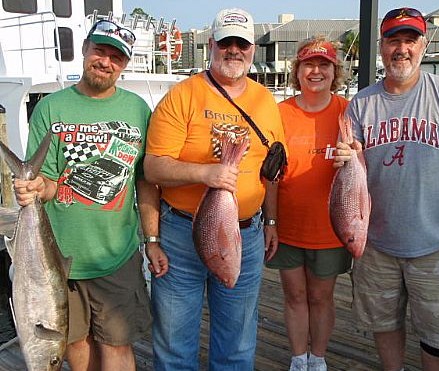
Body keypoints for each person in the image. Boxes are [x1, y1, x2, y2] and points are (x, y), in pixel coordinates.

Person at [336, 7, 439, 371]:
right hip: (374, 244)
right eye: (394, 40)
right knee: (383, 322)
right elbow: (347, 170)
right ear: (381, 46)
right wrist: (347, 157)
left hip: (436, 245)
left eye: (410, 40)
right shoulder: (361, 104)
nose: (401, 48)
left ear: (423, 45)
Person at [13, 19, 168, 371]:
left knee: (116, 345)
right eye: (99, 51)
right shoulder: (50, 108)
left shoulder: (138, 110)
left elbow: (144, 181)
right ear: (84, 49)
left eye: (116, 57)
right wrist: (37, 187)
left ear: (125, 64)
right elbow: (51, 182)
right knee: (75, 344)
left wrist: (152, 239)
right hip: (59, 258)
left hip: (117, 254)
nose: (106, 62)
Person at [143, 8, 285, 371]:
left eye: (241, 43)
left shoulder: (265, 101)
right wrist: (206, 172)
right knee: (174, 342)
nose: (233, 50)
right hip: (181, 235)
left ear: (252, 49)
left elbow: (272, 169)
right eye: (226, 42)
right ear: (211, 45)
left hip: (246, 235)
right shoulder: (182, 96)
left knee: (237, 342)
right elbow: (153, 166)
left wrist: (271, 222)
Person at [265, 36, 351, 371]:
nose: (316, 71)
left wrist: (355, 155)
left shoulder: (348, 111)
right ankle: (298, 357)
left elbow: (365, 163)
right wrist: (270, 222)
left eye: (324, 65)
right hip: (288, 225)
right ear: (297, 72)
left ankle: (319, 358)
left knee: (321, 297)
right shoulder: (279, 113)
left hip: (332, 226)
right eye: (308, 65)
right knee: (295, 296)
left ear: (335, 71)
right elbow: (269, 174)